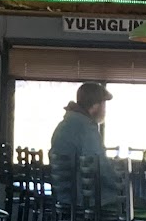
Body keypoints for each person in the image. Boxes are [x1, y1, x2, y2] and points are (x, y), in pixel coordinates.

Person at [49, 79, 123, 211]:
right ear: (95, 106)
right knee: (134, 201)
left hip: (64, 196)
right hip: (84, 199)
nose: (105, 110)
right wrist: (121, 181)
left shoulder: (64, 125)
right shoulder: (87, 128)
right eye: (104, 105)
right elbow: (99, 166)